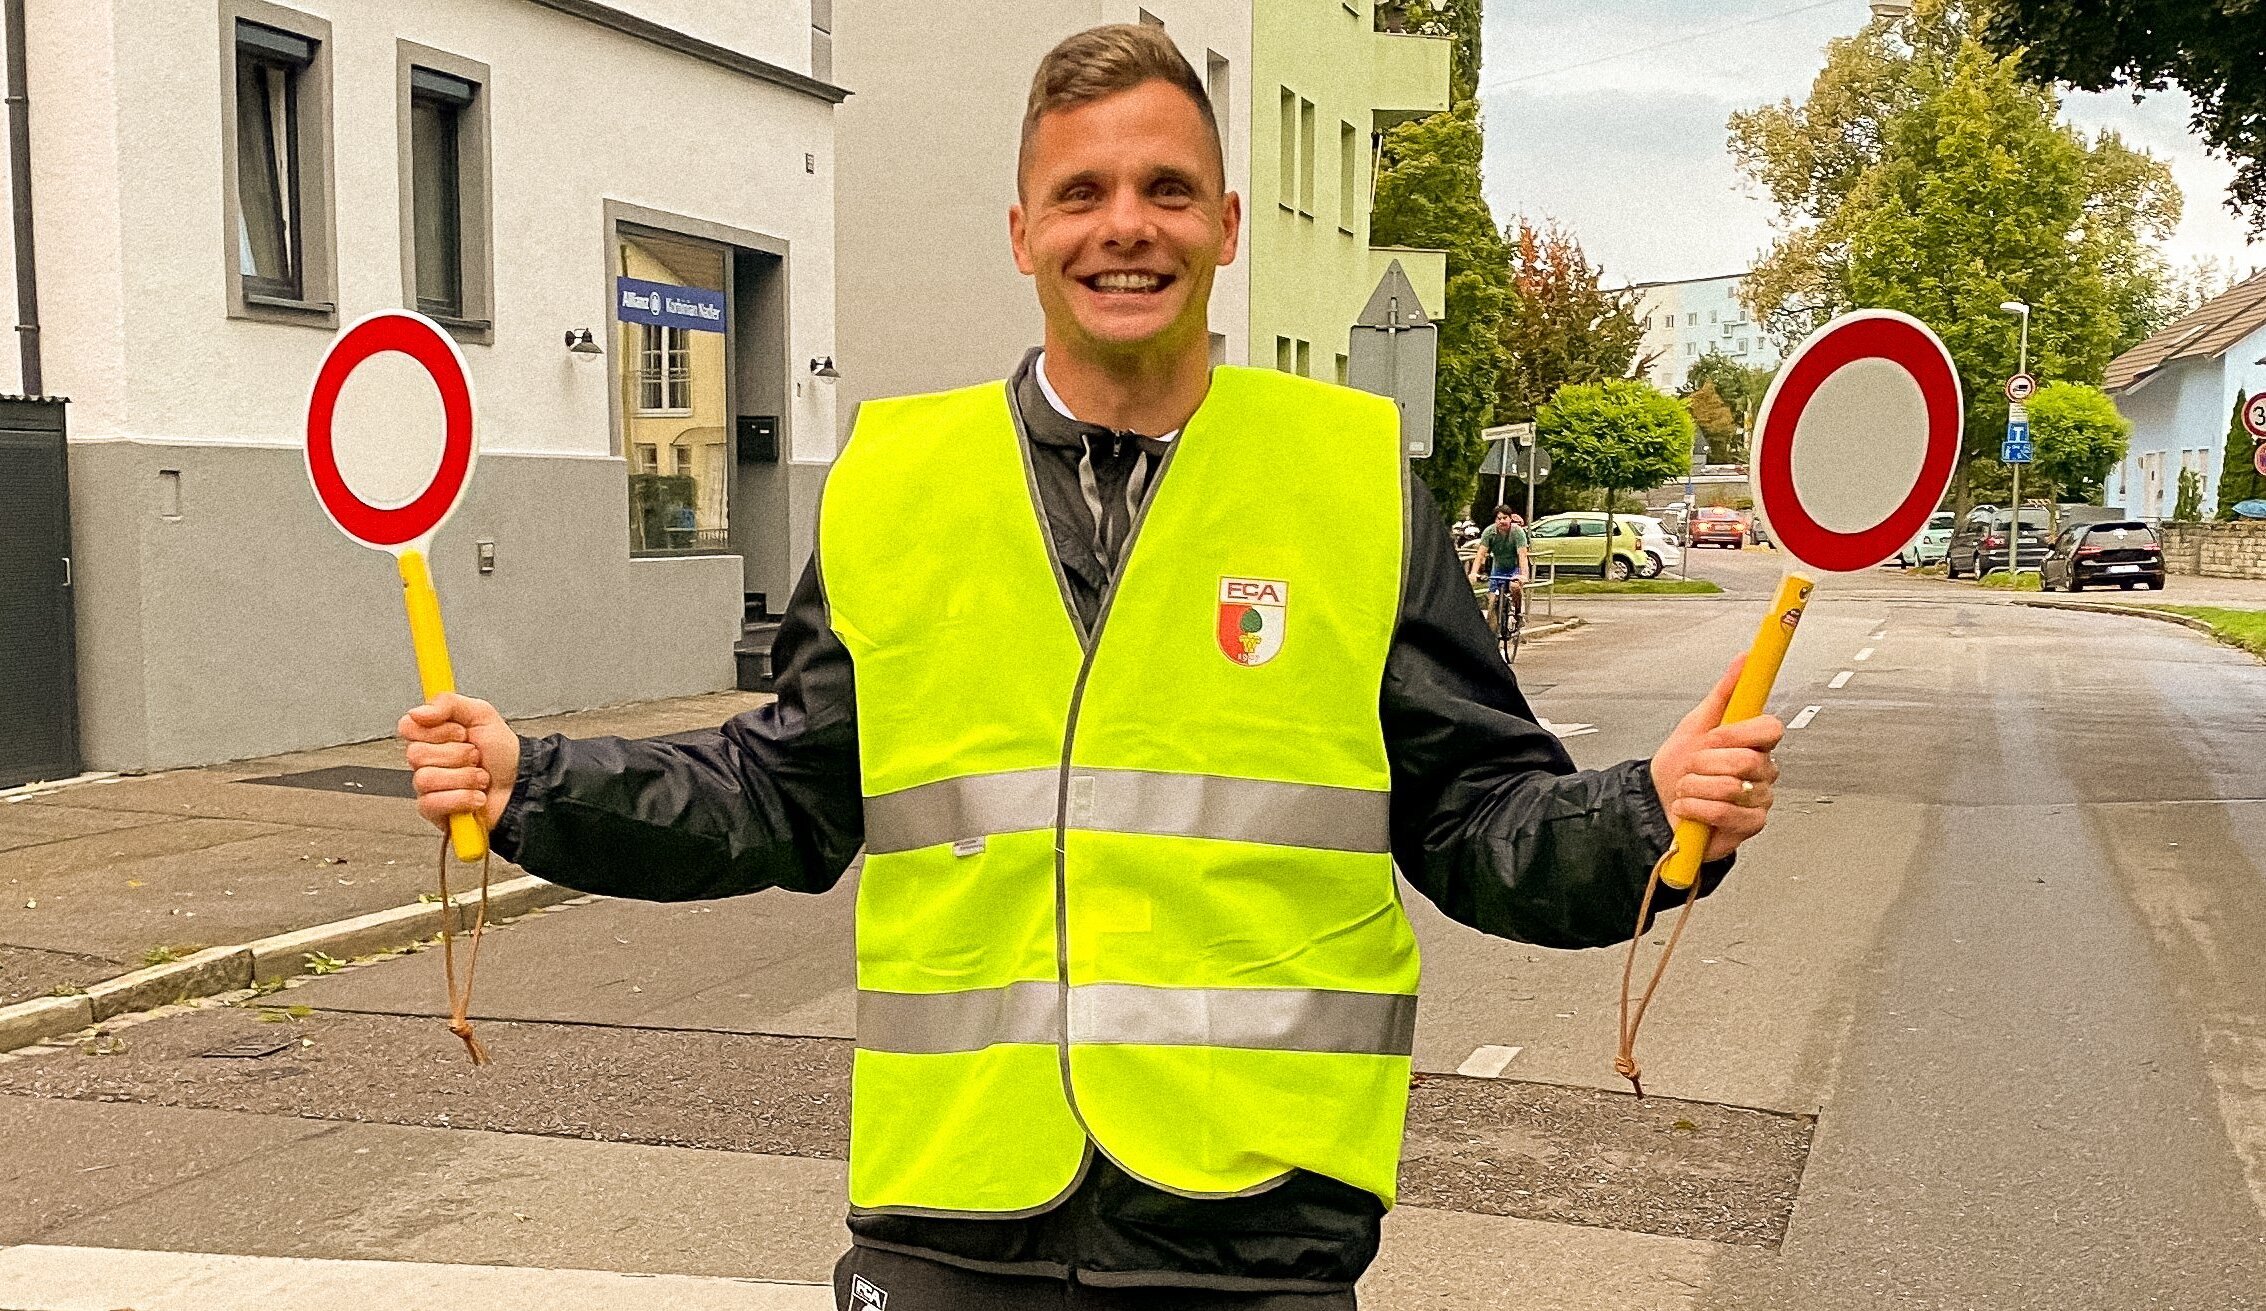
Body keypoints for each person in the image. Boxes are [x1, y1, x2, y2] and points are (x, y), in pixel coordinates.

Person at [398, 25, 1784, 1310]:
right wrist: (537, 778)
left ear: (1226, 226)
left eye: (1168, 189)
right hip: (952, 1215)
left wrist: (1647, 815)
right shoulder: (896, 483)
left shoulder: (1350, 482)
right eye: (1082, 193)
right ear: (1022, 231)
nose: (1125, 225)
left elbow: (1479, 819)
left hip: (1251, 1231)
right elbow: (782, 790)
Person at [1466, 505, 1529, 632]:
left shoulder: (1517, 532)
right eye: (1498, 518)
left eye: (1505, 518)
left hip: (1514, 568)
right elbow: (1480, 554)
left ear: (1510, 519)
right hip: (1498, 568)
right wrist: (1473, 573)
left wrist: (1523, 576)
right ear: (1495, 520)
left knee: (1514, 587)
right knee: (1491, 601)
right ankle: (1494, 632)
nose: (1502, 521)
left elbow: (1522, 555)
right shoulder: (1489, 532)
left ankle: (1518, 614)